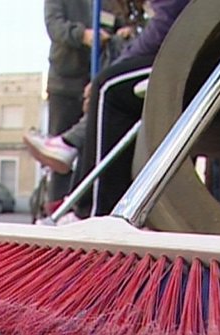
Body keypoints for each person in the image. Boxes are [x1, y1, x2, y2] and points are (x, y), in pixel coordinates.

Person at [25, 0, 189, 219]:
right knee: (104, 97)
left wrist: (123, 37)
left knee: (108, 90)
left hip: (182, 59)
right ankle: (72, 187)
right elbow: (55, 25)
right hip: (67, 79)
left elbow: (164, 21)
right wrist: (83, 35)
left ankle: (90, 211)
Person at [35, 0, 113, 215]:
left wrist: (119, 32)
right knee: (60, 151)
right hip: (65, 83)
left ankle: (85, 209)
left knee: (94, 148)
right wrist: (82, 35)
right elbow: (54, 26)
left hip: (98, 78)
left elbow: (117, 22)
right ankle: (57, 211)